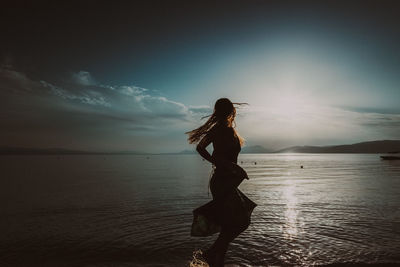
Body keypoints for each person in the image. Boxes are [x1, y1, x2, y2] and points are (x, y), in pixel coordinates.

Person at [186, 98, 257, 267]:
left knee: (230, 223)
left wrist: (231, 168)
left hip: (229, 181)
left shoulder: (230, 130)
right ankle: (210, 253)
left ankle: (216, 261)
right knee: (242, 221)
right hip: (221, 181)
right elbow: (200, 148)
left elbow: (208, 150)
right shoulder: (218, 130)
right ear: (231, 111)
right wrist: (219, 163)